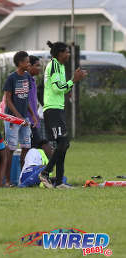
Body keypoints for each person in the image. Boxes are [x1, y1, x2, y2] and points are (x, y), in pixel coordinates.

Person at [38, 41, 87, 189]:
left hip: (58, 108)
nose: (68, 54)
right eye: (66, 52)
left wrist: (71, 83)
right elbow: (58, 88)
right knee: (63, 143)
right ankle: (45, 173)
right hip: (52, 110)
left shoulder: (60, 66)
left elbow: (63, 89)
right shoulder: (53, 65)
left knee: (63, 144)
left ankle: (59, 182)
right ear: (59, 54)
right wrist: (73, 80)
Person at [3, 51, 36, 184]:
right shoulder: (12, 78)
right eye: (27, 62)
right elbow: (8, 99)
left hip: (25, 119)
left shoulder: (27, 77)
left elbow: (26, 98)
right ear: (20, 63)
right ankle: (7, 180)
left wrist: (32, 114)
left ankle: (23, 179)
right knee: (10, 149)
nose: (29, 64)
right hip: (12, 119)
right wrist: (17, 116)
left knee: (26, 147)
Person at [28, 55, 52, 156]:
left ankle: (43, 170)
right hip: (27, 121)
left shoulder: (33, 81)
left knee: (34, 149)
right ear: (29, 66)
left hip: (34, 121)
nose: (39, 68)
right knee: (43, 147)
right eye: (37, 66)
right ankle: (46, 170)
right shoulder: (25, 81)